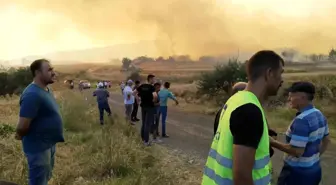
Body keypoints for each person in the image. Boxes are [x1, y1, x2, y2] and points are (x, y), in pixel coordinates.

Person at [202, 50, 284, 185]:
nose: (282, 80)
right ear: (269, 73)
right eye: (281, 73)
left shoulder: (236, 100)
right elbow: (242, 177)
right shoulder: (249, 110)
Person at [15, 59, 64, 185]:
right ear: (37, 73)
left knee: (44, 179)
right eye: (49, 70)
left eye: (52, 69)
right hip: (38, 149)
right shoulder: (32, 95)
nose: (53, 72)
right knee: (38, 182)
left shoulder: (46, 90)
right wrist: (19, 135)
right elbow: (22, 126)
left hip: (48, 145)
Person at [271, 81, 330, 185]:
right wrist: (312, 159)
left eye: (291, 96)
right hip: (314, 170)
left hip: (296, 174)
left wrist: (272, 142)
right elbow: (326, 140)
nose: (289, 99)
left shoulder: (302, 120)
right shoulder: (318, 113)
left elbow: (297, 151)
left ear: (302, 97)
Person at [134, 74, 157, 146]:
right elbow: (155, 96)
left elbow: (134, 93)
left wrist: (138, 99)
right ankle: (146, 141)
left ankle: (142, 139)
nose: (154, 80)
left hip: (143, 106)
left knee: (144, 123)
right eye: (153, 79)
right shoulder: (152, 87)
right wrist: (153, 101)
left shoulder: (142, 86)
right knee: (147, 124)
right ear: (150, 79)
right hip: (150, 107)